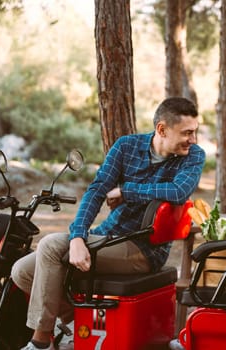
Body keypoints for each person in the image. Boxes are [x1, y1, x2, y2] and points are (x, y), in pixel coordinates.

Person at [12, 97, 206, 350]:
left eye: (195, 132)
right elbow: (96, 191)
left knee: (48, 245)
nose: (193, 139)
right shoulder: (126, 146)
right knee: (22, 271)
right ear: (162, 129)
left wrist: (127, 191)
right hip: (108, 236)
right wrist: (78, 237)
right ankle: (74, 324)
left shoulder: (193, 156)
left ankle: (39, 343)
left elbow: (178, 191)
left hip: (143, 249)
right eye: (187, 133)